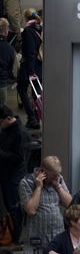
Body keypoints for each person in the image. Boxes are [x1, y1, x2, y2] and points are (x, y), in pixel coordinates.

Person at [19, 156, 73, 246]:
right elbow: (31, 210)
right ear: (42, 171)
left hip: (57, 236)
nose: (55, 179)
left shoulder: (58, 179)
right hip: (37, 238)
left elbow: (69, 204)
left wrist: (58, 187)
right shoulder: (27, 182)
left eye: (57, 175)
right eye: (52, 176)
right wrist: (38, 187)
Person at [0, 104, 29, 244]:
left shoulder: (20, 133)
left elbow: (18, 157)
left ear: (8, 118)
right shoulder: (6, 129)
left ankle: (17, 237)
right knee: (9, 206)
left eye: (1, 122)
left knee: (14, 207)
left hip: (14, 176)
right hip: (6, 175)